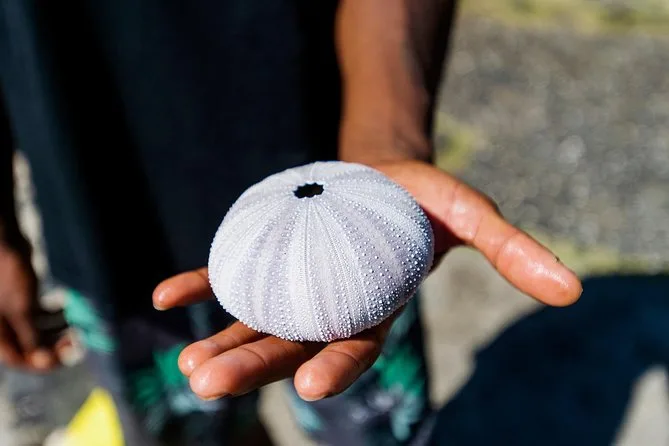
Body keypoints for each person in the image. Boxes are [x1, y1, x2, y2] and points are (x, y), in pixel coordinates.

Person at [0, 1, 582, 445]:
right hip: (97, 205)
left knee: (366, 426)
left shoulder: (372, 214)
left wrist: (388, 141)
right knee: (181, 431)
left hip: (336, 147)